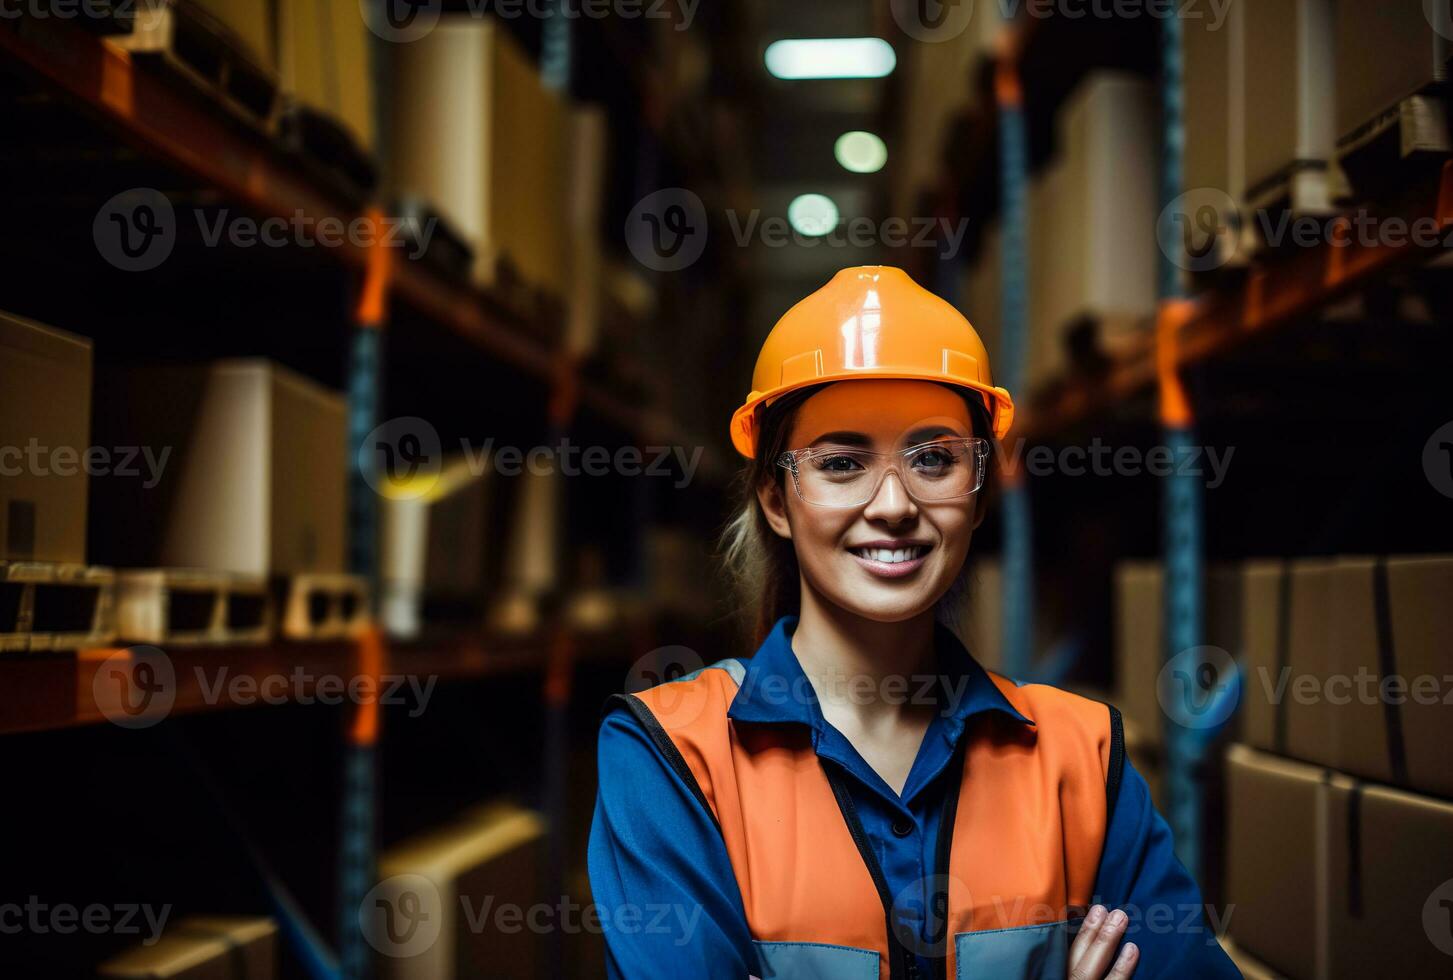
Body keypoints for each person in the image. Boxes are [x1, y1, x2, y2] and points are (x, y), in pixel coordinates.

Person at [589, 266, 1240, 979]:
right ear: (777, 499)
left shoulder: (1079, 758)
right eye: (841, 462)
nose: (894, 504)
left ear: (979, 493)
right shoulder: (671, 756)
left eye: (933, 458)